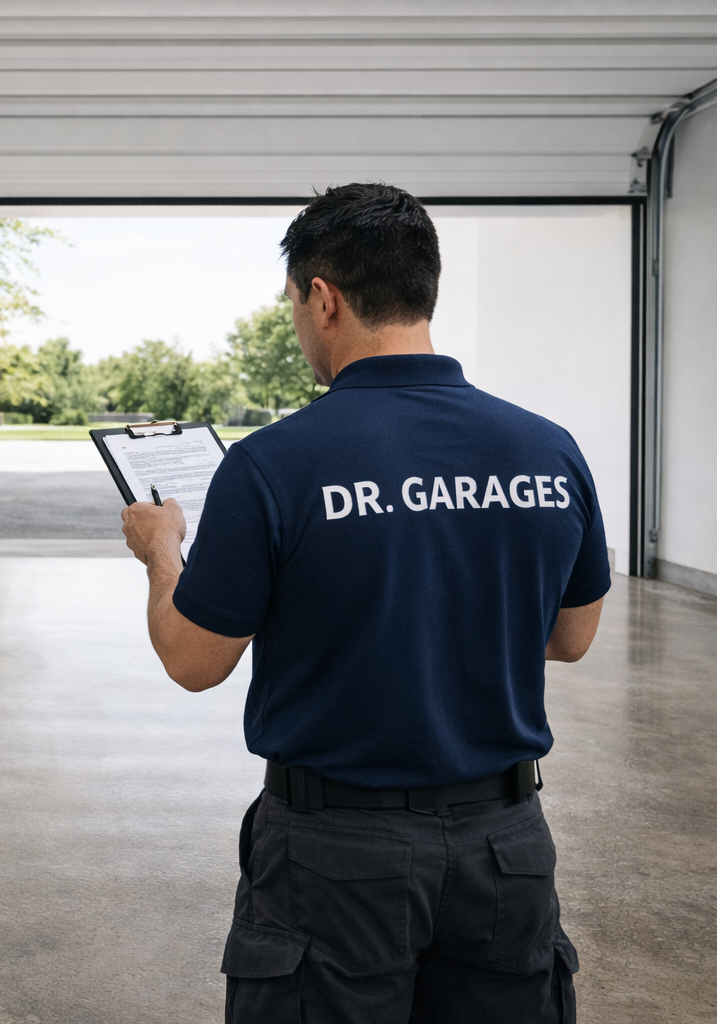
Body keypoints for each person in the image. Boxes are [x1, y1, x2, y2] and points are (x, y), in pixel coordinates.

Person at [120, 183, 609, 1023]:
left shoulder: (275, 464)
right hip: (507, 847)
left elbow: (195, 660)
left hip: (334, 858)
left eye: (295, 307)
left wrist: (162, 550)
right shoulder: (546, 448)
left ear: (323, 296)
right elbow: (570, 637)